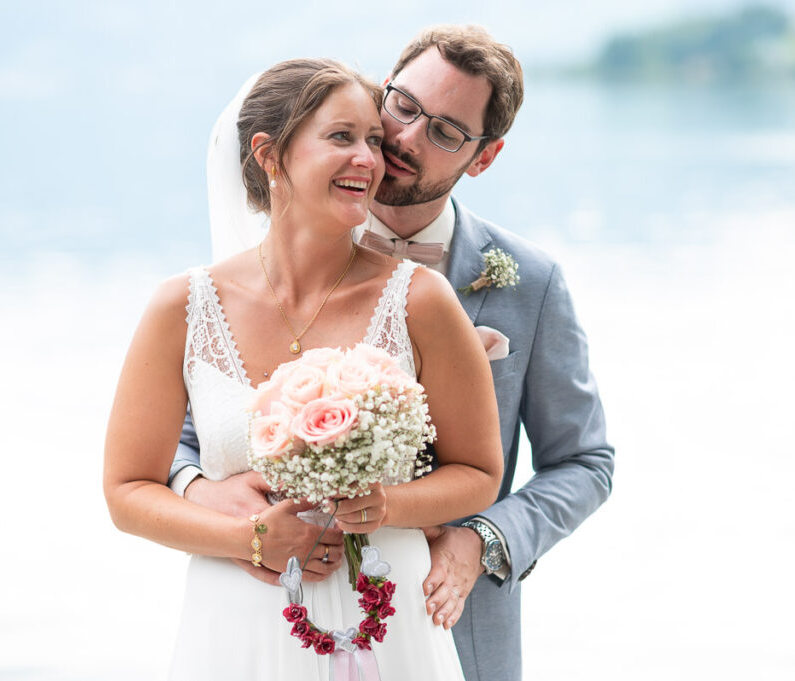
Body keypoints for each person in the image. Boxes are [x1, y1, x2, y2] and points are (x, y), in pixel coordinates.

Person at [170, 26, 615, 681]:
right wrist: (207, 494)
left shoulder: (528, 282)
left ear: (484, 157)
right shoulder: (263, 261)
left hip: (446, 623)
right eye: (402, 106)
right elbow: (196, 429)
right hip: (278, 613)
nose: (405, 139)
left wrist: (481, 539)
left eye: (444, 131)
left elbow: (585, 461)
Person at [103, 57, 505, 680]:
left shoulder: (421, 300)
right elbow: (127, 493)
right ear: (269, 155)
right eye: (342, 137)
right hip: (237, 627)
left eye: (373, 139)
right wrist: (248, 540)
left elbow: (479, 472)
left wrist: (386, 505)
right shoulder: (182, 307)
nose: (371, 159)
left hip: (390, 622)